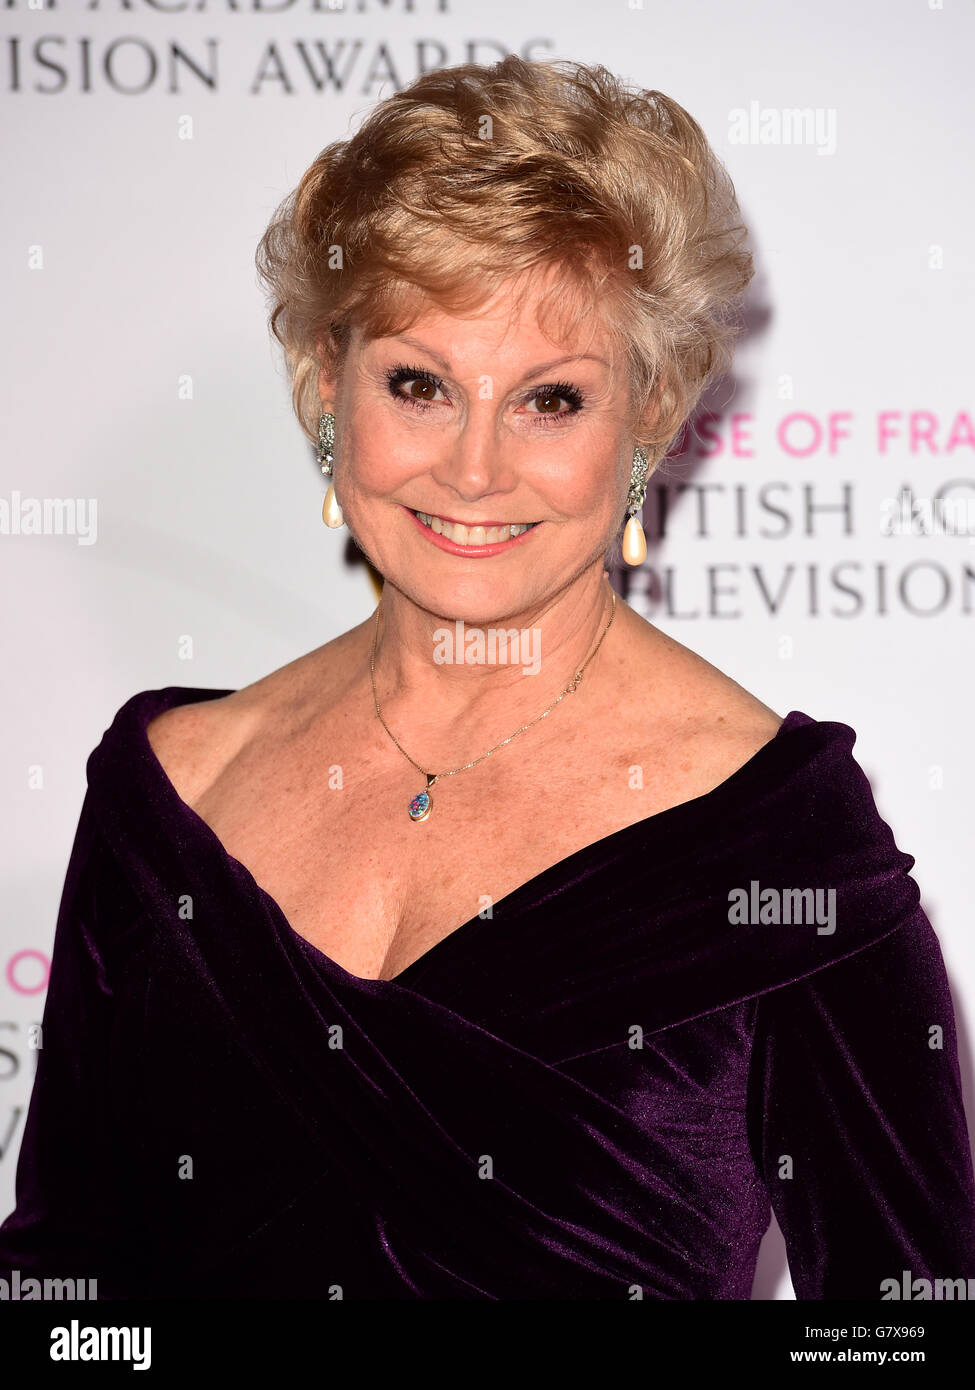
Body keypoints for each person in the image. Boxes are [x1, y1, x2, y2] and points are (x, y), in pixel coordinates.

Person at [1, 55, 973, 1301]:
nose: (473, 467)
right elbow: (65, 1297)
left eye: (550, 400)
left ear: (652, 415)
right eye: (419, 383)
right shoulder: (167, 796)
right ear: (323, 384)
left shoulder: (782, 848)